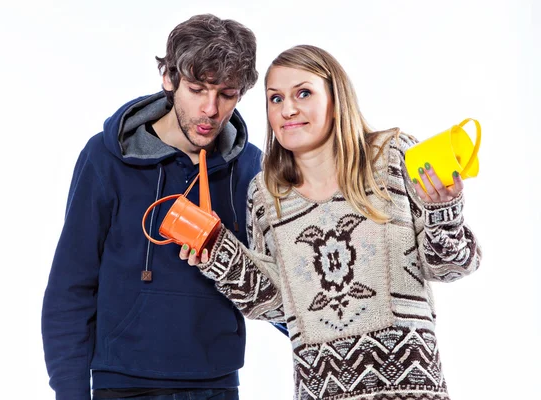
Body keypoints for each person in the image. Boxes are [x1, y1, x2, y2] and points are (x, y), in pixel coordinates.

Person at [181, 44, 482, 400]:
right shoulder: (266, 194)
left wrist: (442, 211)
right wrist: (220, 255)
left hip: (411, 390)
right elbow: (279, 304)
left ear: (336, 98)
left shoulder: (394, 156)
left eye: (303, 93)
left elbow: (451, 267)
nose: (287, 109)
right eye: (275, 99)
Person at [42, 14, 266, 400]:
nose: (210, 110)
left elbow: (278, 286)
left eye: (226, 94)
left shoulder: (250, 168)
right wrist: (70, 392)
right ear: (170, 79)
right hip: (123, 382)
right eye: (197, 89)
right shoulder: (106, 159)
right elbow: (70, 287)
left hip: (216, 383)